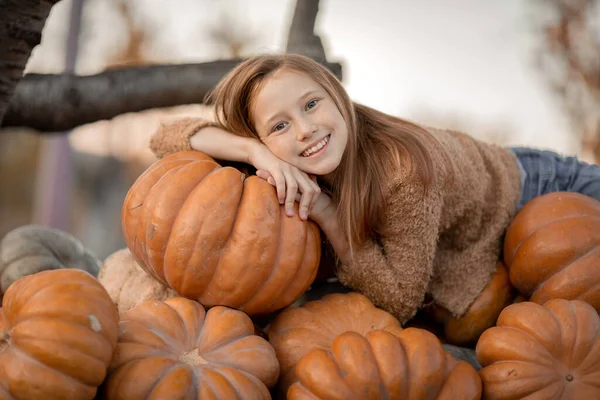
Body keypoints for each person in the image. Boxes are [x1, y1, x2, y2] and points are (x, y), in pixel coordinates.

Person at [148, 53, 600, 324]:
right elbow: (164, 136)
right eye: (280, 125)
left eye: (311, 104)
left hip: (539, 187)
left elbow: (401, 301)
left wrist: (327, 211)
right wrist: (254, 155)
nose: (304, 130)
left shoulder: (401, 175)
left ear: (337, 95)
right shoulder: (275, 152)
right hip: (489, 170)